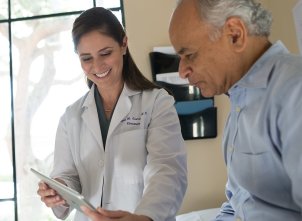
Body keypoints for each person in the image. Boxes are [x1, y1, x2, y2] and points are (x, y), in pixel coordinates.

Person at [37, 7, 187, 221]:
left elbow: (167, 171)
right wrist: (59, 189)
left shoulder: (157, 103)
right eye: (86, 58)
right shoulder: (71, 117)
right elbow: (68, 176)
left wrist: (144, 217)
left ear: (124, 44)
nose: (97, 66)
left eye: (105, 53)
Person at [169, 0, 302, 220]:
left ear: (235, 35)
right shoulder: (240, 104)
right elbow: (238, 204)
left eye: (189, 55)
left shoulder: (293, 91)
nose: (182, 71)